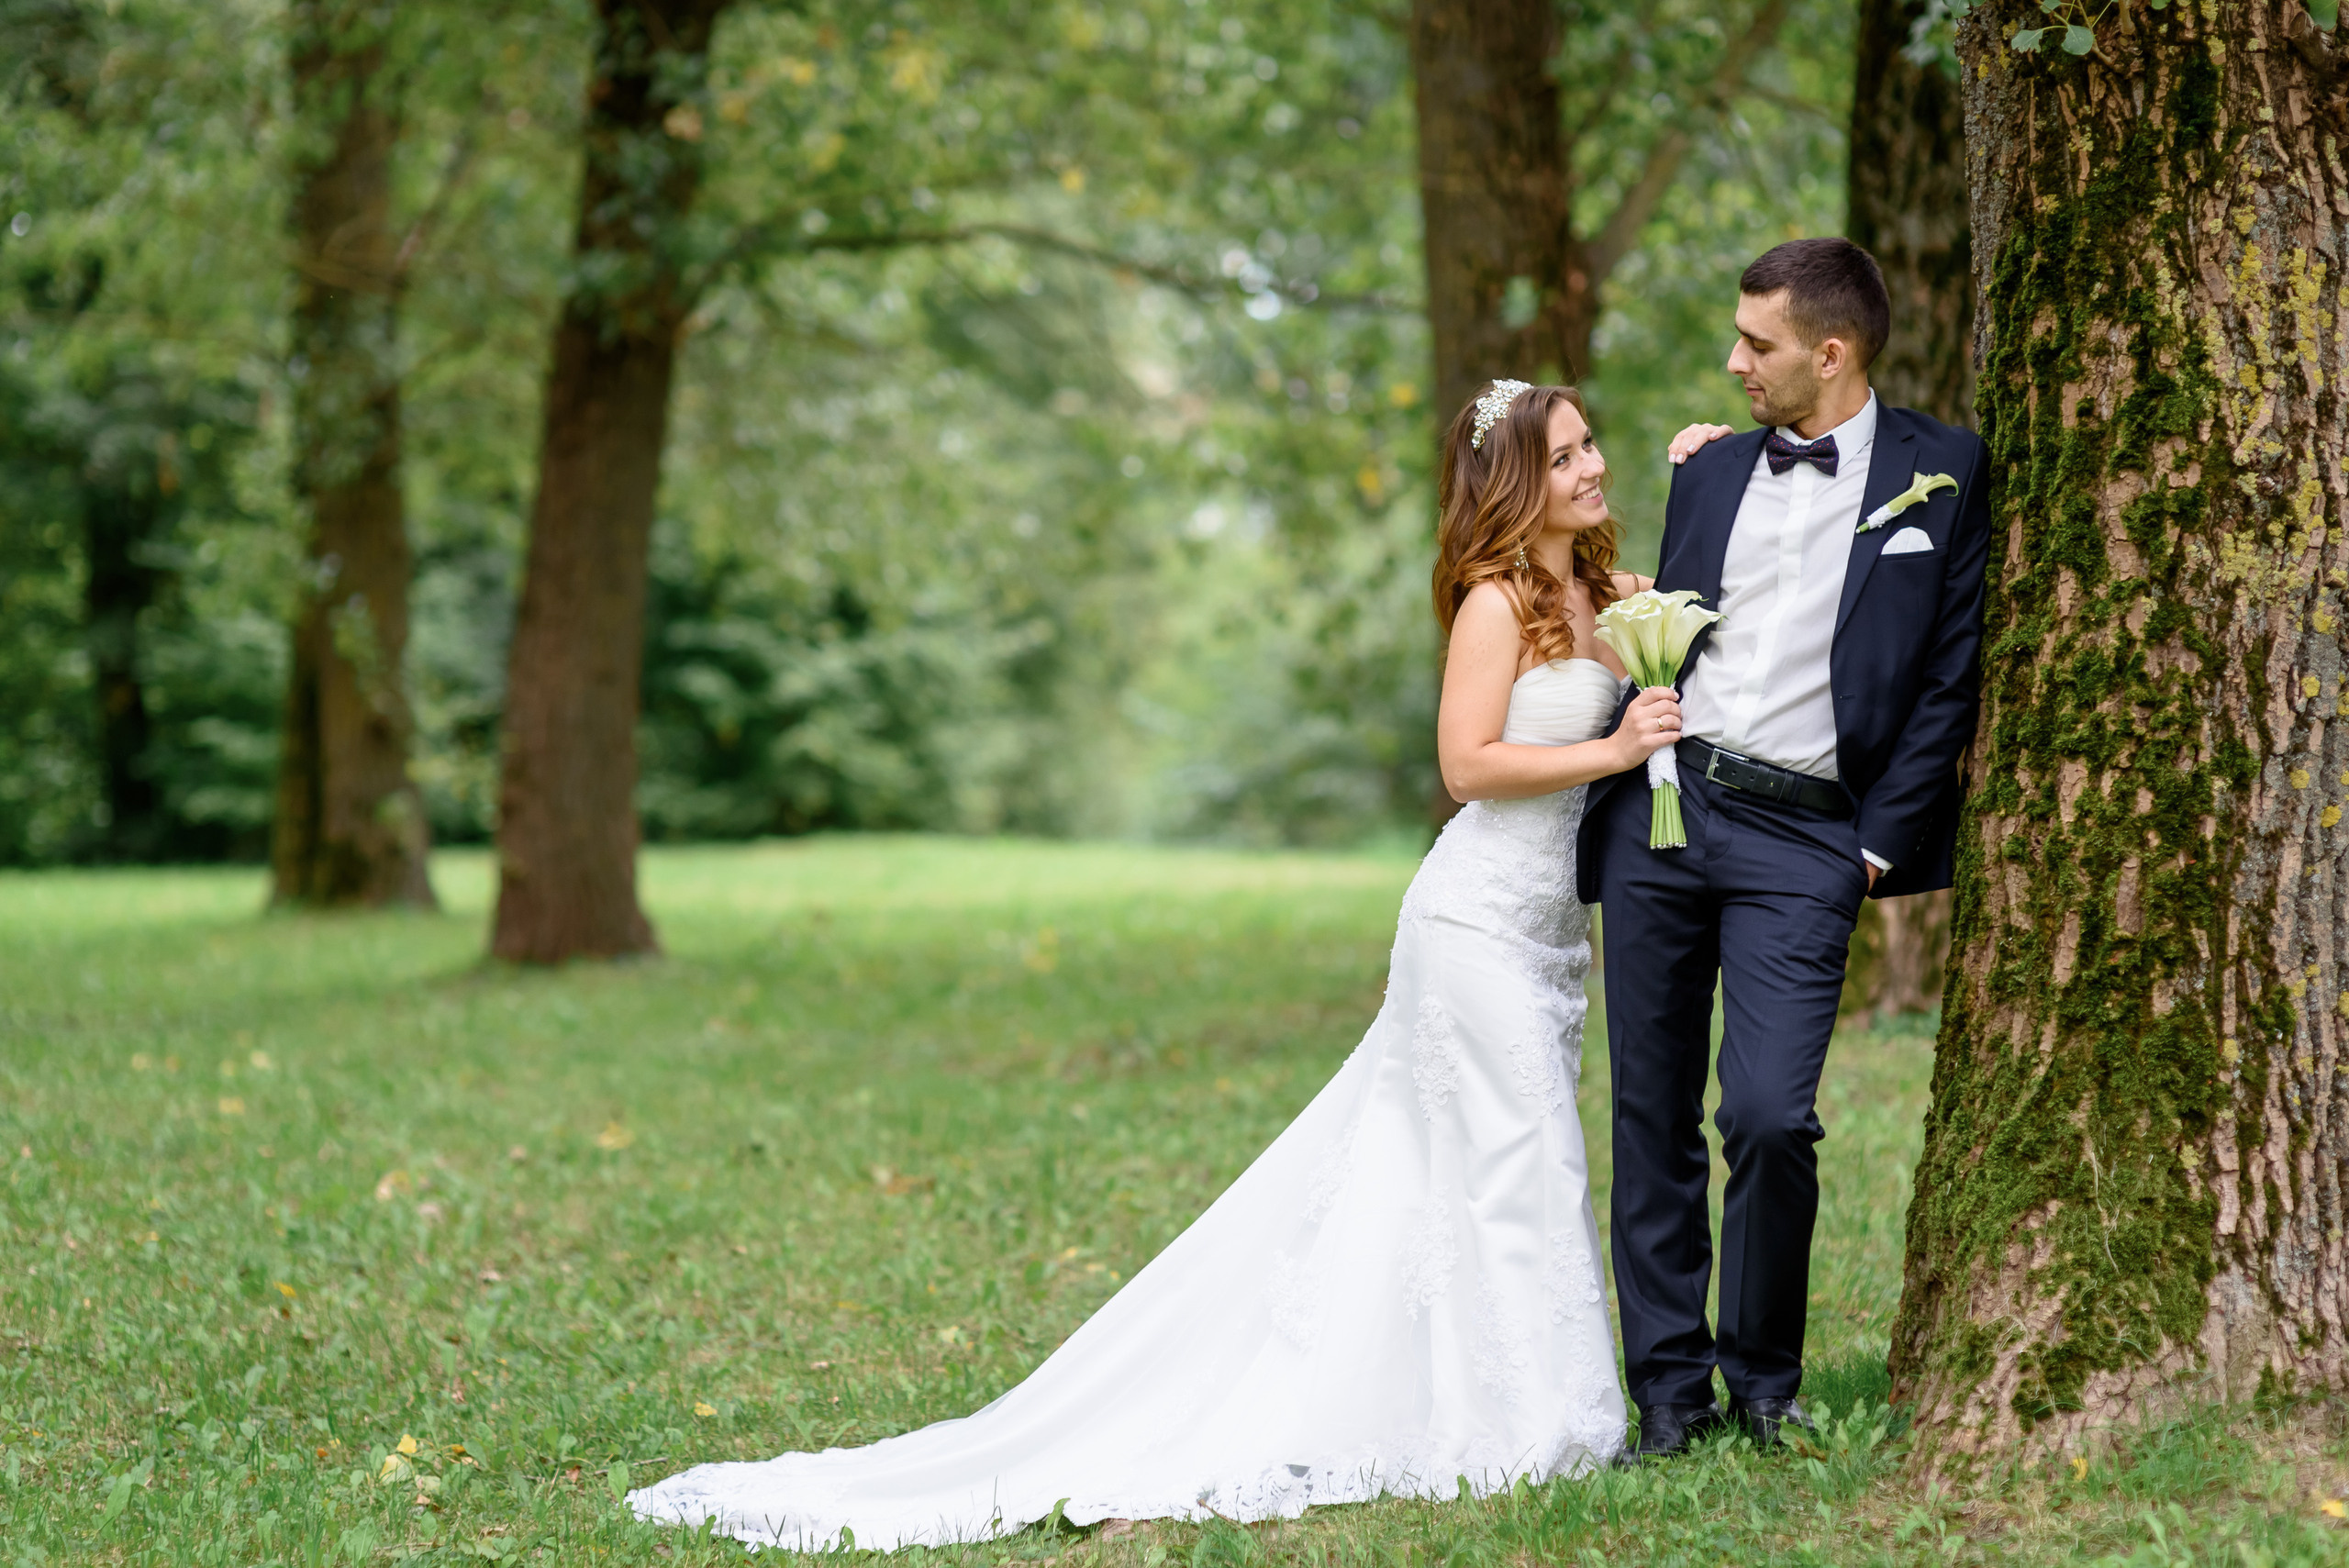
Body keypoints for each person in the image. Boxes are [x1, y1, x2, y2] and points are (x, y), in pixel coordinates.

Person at [627, 382, 1681, 1549]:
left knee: (1487, 1158)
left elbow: (1707, 593)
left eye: (1592, 445)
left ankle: (1496, 1393)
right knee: (1519, 1147)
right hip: (1474, 918)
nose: (1593, 465)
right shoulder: (1494, 604)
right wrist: (1614, 743)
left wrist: (1715, 455)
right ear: (1517, 479)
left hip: (1546, 929)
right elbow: (1466, 766)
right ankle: (1538, 1422)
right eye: (1569, 452)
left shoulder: (1607, 594)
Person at [1582, 238, 1989, 1460]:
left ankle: (1763, 1380)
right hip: (1665, 809)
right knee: (1650, 1114)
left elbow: (1947, 685)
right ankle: (1668, 1395)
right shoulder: (1706, 472)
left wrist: (1871, 849)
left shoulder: (1948, 474)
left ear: (1832, 352)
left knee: (1765, 1114)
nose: (1733, 360)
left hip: (1809, 839)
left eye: (1756, 344)